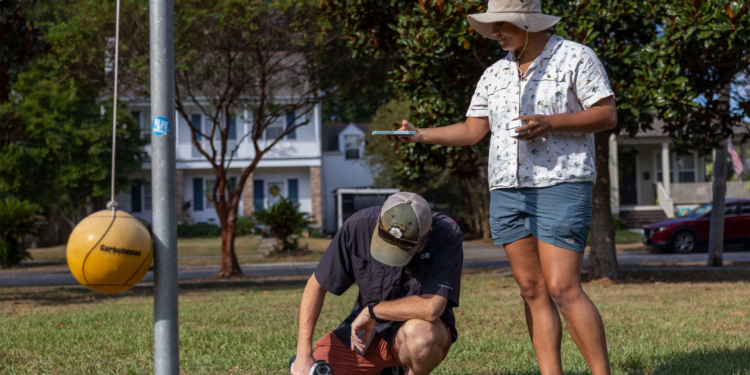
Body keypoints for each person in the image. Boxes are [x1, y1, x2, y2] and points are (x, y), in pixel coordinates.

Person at [387, 1, 617, 374]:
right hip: (507, 191)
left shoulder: (575, 56)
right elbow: (473, 129)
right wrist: (420, 135)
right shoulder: (494, 74)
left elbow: (606, 114)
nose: (494, 32)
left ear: (528, 23)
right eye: (491, 25)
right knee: (531, 290)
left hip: (560, 183)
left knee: (562, 288)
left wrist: (551, 123)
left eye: (502, 24)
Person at [291, 192, 463, 375]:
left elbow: (431, 308)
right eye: (385, 239)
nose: (392, 252)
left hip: (412, 333)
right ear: (380, 218)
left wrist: (372, 310)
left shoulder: (446, 234)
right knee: (316, 370)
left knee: (422, 338)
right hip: (366, 335)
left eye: (404, 247)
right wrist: (303, 354)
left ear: (426, 234)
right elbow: (316, 286)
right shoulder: (357, 225)